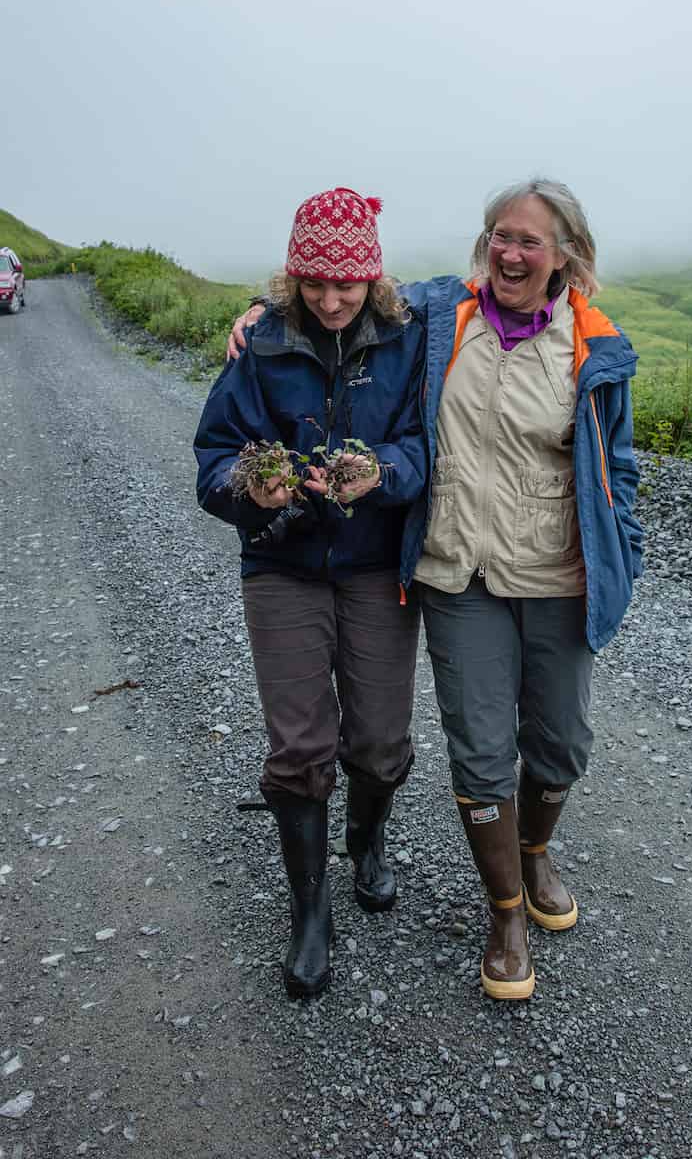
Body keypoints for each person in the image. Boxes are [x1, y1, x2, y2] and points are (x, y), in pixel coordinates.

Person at [230, 178, 642, 1002]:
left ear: (566, 255)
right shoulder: (438, 317)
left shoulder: (597, 345)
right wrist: (255, 309)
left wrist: (621, 557)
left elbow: (617, 469)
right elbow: (337, 286)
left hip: (557, 574)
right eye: (499, 235)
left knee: (560, 742)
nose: (510, 252)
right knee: (481, 750)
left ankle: (534, 853)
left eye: (529, 240)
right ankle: (505, 914)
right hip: (458, 570)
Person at [195, 187, 427, 999]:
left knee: (378, 740)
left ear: (374, 277)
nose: (333, 301)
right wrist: (248, 489)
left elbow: (421, 445)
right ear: (293, 278)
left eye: (349, 284)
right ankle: (311, 912)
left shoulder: (407, 337)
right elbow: (215, 455)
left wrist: (382, 473)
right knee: (298, 746)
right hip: (282, 567)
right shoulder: (260, 342)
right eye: (315, 284)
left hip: (373, 563)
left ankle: (366, 840)